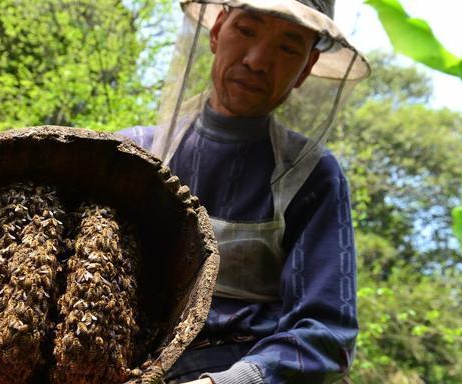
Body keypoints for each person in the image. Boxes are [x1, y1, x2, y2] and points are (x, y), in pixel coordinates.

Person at [118, 0, 370, 383]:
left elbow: (326, 333)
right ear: (217, 31)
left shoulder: (314, 177)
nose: (257, 61)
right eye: (246, 30)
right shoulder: (131, 153)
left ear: (307, 68)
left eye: (288, 47)